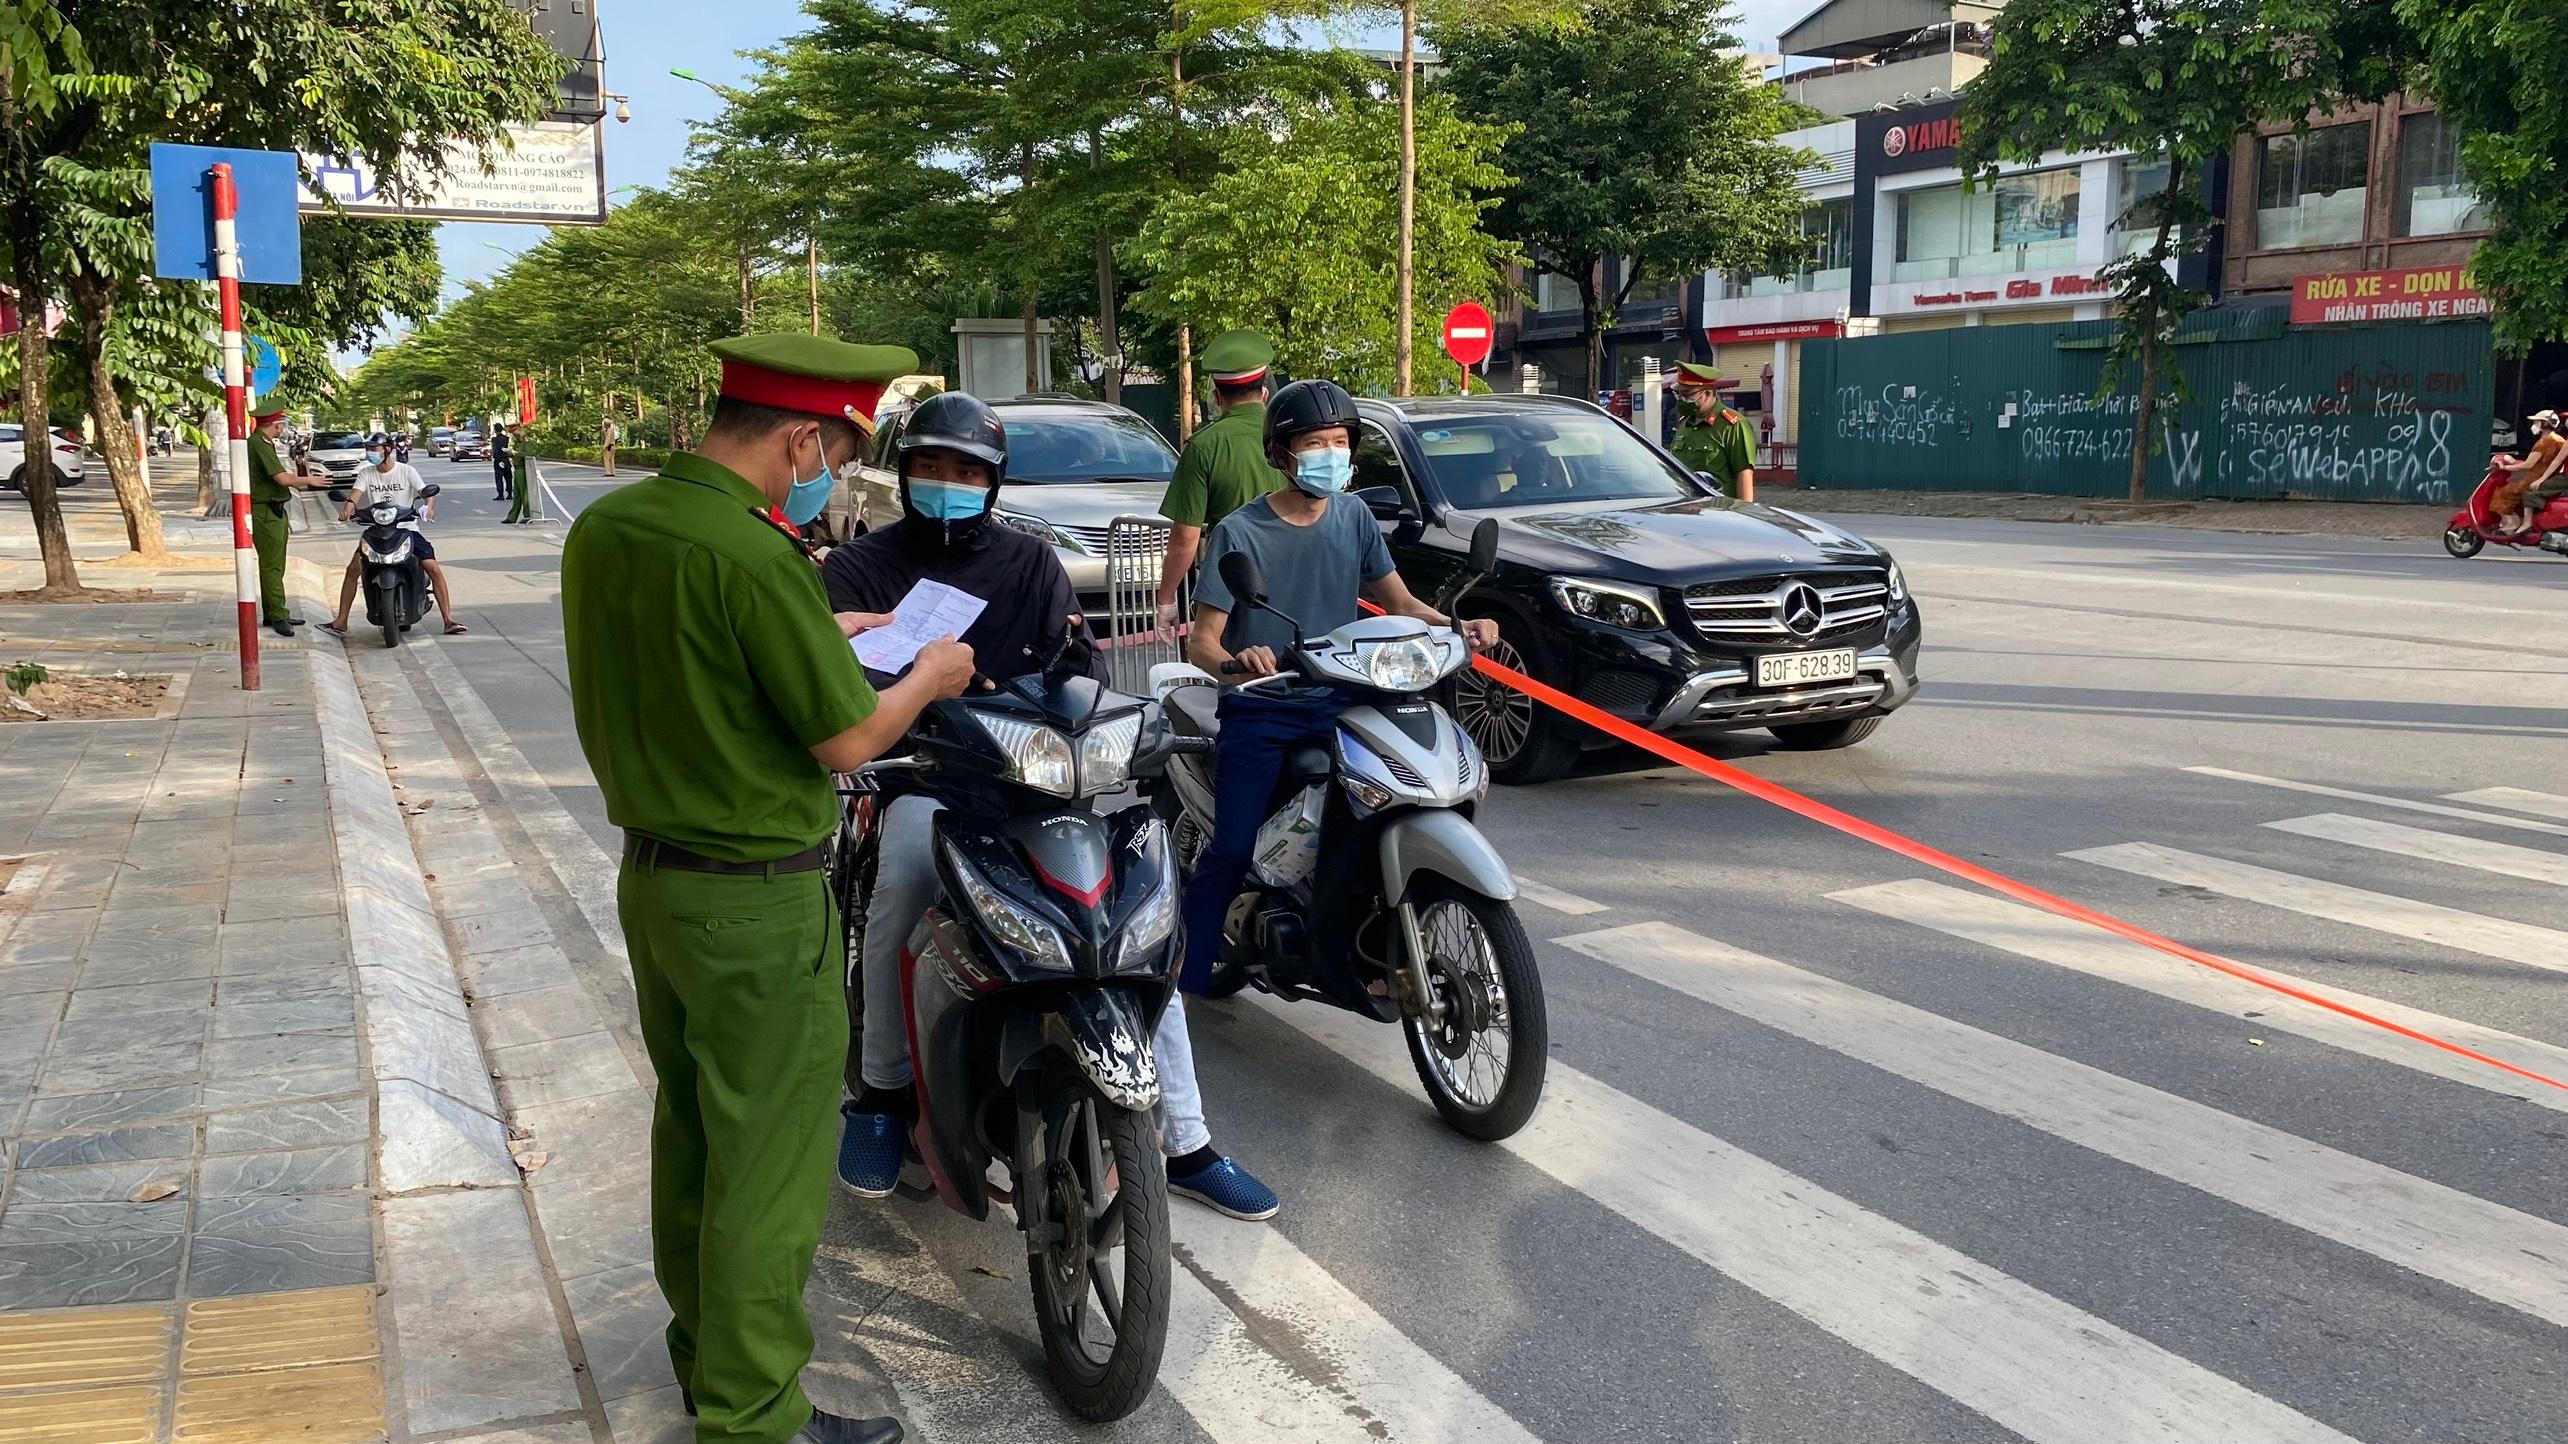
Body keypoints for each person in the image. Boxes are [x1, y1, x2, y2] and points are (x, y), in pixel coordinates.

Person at [561, 332, 972, 1444]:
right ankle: (754, 1417)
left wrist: (822, 631)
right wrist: (928, 675)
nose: (828, 474)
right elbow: (849, 742)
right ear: (798, 438)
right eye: (831, 453)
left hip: (658, 885)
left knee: (697, 1132)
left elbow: (691, 656)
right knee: (770, 1166)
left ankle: (707, 1363)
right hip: (756, 900)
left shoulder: (616, 526)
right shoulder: (756, 554)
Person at [821, 392, 1280, 1222]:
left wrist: (1096, 706)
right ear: (906, 472)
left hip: (1037, 784)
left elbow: (1079, 671)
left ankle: (1187, 1141)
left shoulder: (1031, 562)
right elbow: (843, 690)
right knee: (900, 888)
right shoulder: (860, 567)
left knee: (1136, 924)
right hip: (924, 781)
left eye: (968, 472)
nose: (949, 484)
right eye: (931, 467)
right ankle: (883, 1096)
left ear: (993, 483)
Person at [1179, 379, 1496, 998]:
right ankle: (1180, 982)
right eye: (1314, 443)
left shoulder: (1353, 516)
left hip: (1348, 699)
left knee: (1380, 809)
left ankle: (1355, 950)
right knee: (1234, 848)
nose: (1331, 454)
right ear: (1281, 454)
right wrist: (1240, 662)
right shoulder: (1239, 532)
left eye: (1340, 442)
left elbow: (1400, 603)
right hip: (1265, 707)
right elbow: (1202, 643)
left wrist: (1459, 625)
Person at [1154, 329, 1286, 628]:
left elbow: (1185, 537)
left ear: (1216, 396)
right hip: (1292, 573)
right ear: (1265, 391)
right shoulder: (1291, 436)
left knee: (1225, 655)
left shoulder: (1204, 447)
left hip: (1230, 588)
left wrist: (1166, 599)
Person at [320, 433, 465, 638]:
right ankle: (341, 621)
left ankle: (448, 620)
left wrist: (428, 508)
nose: (370, 453)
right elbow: (354, 496)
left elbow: (426, 493)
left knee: (432, 567)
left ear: (387, 450)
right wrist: (348, 509)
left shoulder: (407, 471)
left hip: (407, 529)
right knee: (353, 569)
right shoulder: (366, 473)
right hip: (377, 531)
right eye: (368, 449)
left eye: (374, 449)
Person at [246, 408, 330, 636]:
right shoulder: (258, 444)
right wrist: (309, 480)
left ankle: (272, 611)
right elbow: (282, 478)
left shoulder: (263, 443)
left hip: (272, 510)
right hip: (265, 510)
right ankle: (278, 615)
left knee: (275, 564)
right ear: (275, 424)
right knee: (272, 566)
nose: (283, 428)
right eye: (281, 424)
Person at [1668, 362, 1756, 498]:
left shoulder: (1732, 426)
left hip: (1718, 507)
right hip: (1685, 505)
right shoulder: (1684, 424)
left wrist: (1743, 510)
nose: (1682, 400)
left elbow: (1744, 473)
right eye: (1679, 395)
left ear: (1708, 393)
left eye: (1687, 394)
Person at [2493, 409, 2568, 532]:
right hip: (2550, 475)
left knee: (2505, 493)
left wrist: (2505, 467)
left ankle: (2518, 523)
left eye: (2537, 422)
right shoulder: (2560, 440)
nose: (2534, 425)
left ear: (2545, 424)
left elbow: (2530, 464)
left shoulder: (2544, 442)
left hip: (2535, 476)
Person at [492, 421, 515, 502]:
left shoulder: (494, 439)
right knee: (508, 477)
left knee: (499, 478)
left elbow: (495, 450)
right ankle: (509, 493)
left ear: (495, 430)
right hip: (506, 460)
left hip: (498, 461)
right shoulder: (506, 438)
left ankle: (500, 494)